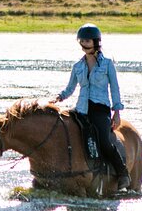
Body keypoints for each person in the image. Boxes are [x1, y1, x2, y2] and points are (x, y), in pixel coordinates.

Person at [51, 23, 131, 190]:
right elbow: (70, 88)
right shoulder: (77, 66)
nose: (85, 44)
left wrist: (116, 113)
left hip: (100, 109)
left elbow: (114, 89)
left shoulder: (107, 64)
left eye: (88, 40)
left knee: (104, 141)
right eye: (82, 40)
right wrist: (59, 97)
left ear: (96, 41)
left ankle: (123, 173)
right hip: (81, 109)